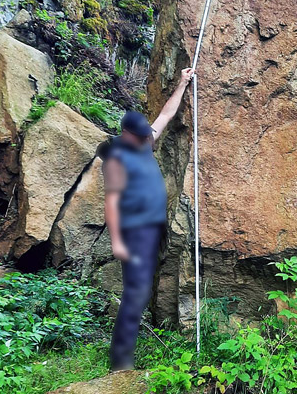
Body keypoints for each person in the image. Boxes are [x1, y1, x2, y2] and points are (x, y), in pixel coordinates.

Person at [100, 67, 195, 371]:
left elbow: (166, 115)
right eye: (141, 136)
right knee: (136, 291)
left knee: (141, 289)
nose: (147, 140)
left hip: (153, 228)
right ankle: (120, 363)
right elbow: (112, 202)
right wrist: (117, 242)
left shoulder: (143, 139)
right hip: (133, 231)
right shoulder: (116, 157)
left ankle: (126, 351)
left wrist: (182, 83)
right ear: (127, 134)